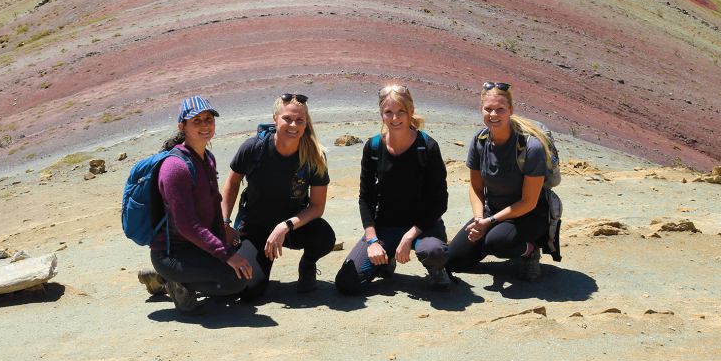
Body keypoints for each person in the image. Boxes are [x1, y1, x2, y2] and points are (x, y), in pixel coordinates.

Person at [149, 95, 262, 313]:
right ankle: (173, 281)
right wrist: (227, 255)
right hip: (173, 253)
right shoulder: (175, 168)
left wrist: (225, 232)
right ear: (182, 126)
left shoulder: (206, 158)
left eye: (208, 119)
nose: (204, 125)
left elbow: (212, 206)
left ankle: (165, 277)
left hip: (198, 246)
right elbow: (187, 226)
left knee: (250, 276)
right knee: (235, 280)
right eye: (196, 121)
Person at [335, 85, 450, 293]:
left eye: (401, 112)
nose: (395, 118)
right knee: (347, 282)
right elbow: (365, 199)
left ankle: (437, 269)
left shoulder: (427, 147)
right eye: (389, 112)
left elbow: (440, 201)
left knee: (433, 251)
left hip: (423, 226)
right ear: (381, 114)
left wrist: (409, 236)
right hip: (386, 226)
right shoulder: (374, 148)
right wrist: (372, 240)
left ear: (411, 112)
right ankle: (385, 261)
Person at [221, 93, 335, 297]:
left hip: (292, 228)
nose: (293, 125)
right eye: (287, 119)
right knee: (250, 291)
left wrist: (285, 226)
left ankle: (307, 266)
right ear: (275, 118)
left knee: (325, 237)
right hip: (254, 230)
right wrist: (225, 223)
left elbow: (317, 207)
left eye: (299, 120)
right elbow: (232, 182)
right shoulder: (254, 148)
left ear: (306, 122)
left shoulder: (315, 156)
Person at [446, 82, 557, 281]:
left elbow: (528, 202)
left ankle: (529, 250)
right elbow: (476, 186)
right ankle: (493, 237)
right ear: (481, 109)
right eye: (488, 109)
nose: (494, 115)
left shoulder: (530, 148)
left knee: (496, 243)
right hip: (492, 212)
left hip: (529, 215)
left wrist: (490, 222)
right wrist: (479, 219)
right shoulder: (480, 140)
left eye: (500, 109)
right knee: (453, 261)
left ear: (511, 110)